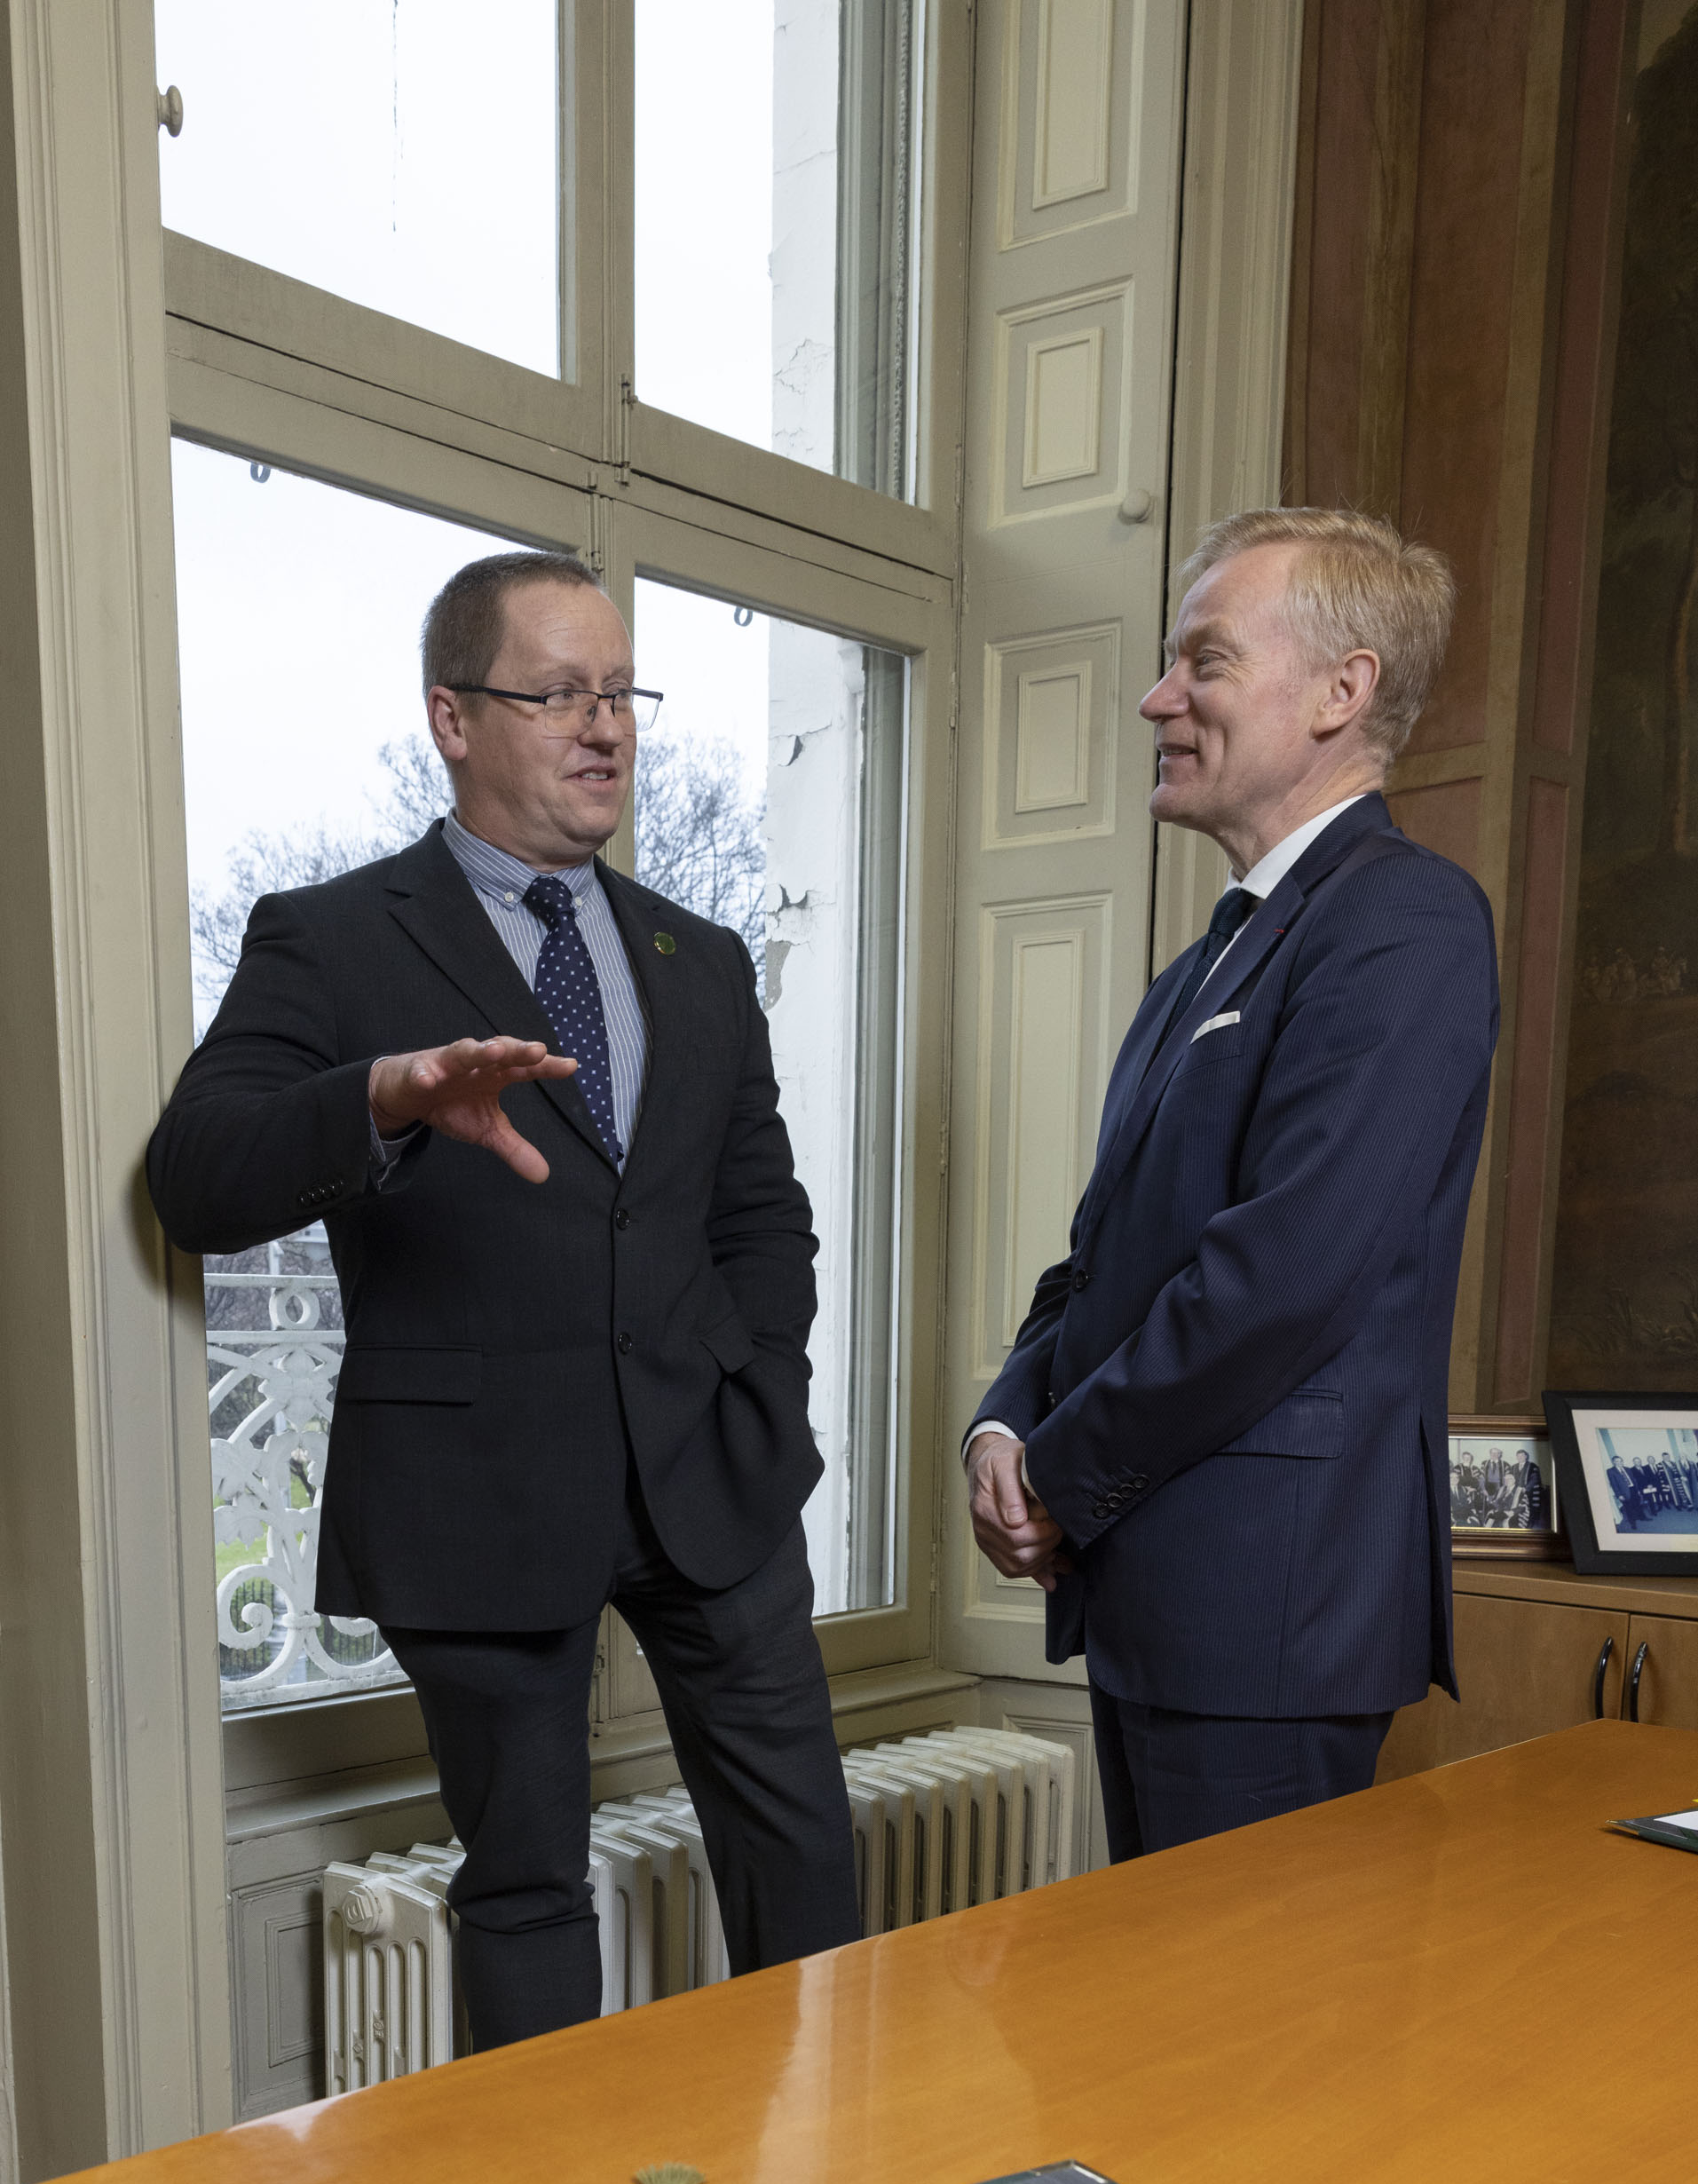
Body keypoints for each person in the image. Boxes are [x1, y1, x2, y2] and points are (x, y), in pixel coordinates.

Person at [147, 549, 860, 2046]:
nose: (603, 728)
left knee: (801, 1850)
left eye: (620, 695)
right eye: (557, 694)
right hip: (474, 1488)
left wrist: (764, 1391)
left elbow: (757, 1213)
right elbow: (199, 1177)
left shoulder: (703, 959)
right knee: (526, 1881)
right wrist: (386, 1098)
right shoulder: (330, 938)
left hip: (708, 1476)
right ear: (453, 717)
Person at [965, 509, 1498, 1863]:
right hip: (1159, 1595)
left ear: (1342, 690)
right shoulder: (1196, 970)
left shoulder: (1403, 921)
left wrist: (1059, 1477)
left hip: (1269, 1613)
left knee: (1254, 2062)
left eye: (1202, 660)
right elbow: (1101, 1261)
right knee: (1166, 2048)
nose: (1157, 698)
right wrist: (998, 1430)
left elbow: (1284, 1277)